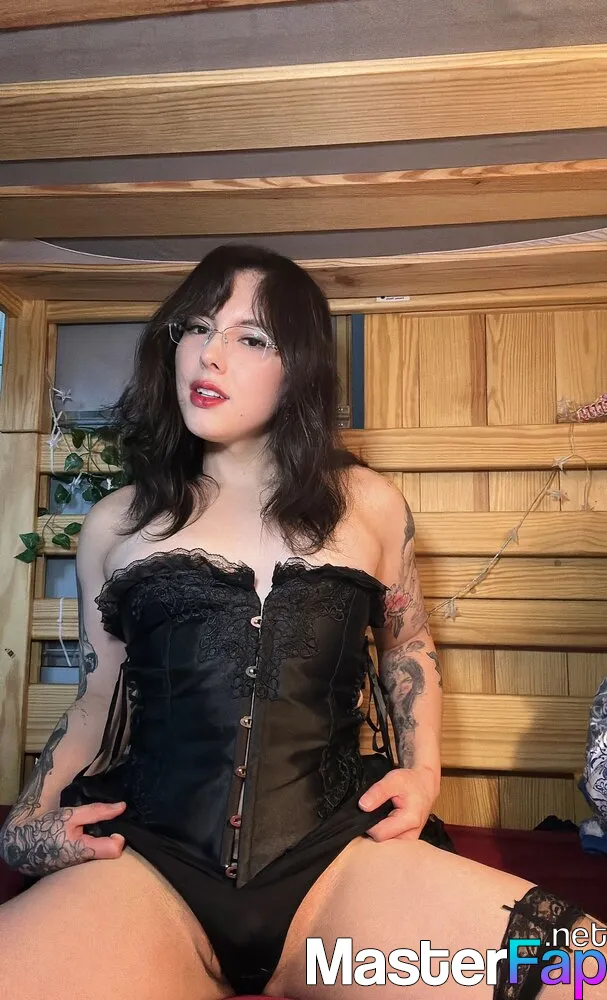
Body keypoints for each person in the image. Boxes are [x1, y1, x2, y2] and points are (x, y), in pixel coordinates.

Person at [0, 245, 604, 1000]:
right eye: (196, 327)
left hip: (340, 870)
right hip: (147, 871)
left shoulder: (369, 504)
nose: (210, 353)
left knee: (585, 976)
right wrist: (27, 818)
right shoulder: (117, 522)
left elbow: (407, 644)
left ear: (300, 370)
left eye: (251, 337)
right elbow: (99, 697)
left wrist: (423, 772)